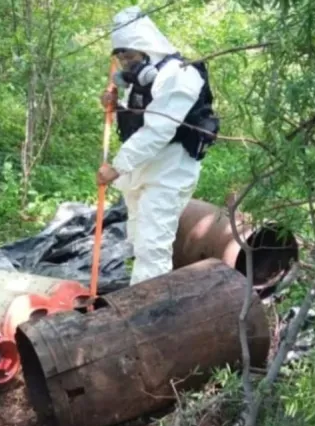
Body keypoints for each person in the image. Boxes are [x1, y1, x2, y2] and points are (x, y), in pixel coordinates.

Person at [97, 5, 217, 285]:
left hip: (169, 170)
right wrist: (116, 106)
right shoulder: (140, 79)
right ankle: (137, 296)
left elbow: (158, 129)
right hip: (143, 169)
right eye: (121, 58)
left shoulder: (179, 75)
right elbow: (139, 116)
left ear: (147, 49)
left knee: (152, 247)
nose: (127, 64)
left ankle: (149, 307)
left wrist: (117, 166)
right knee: (137, 238)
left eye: (130, 56)